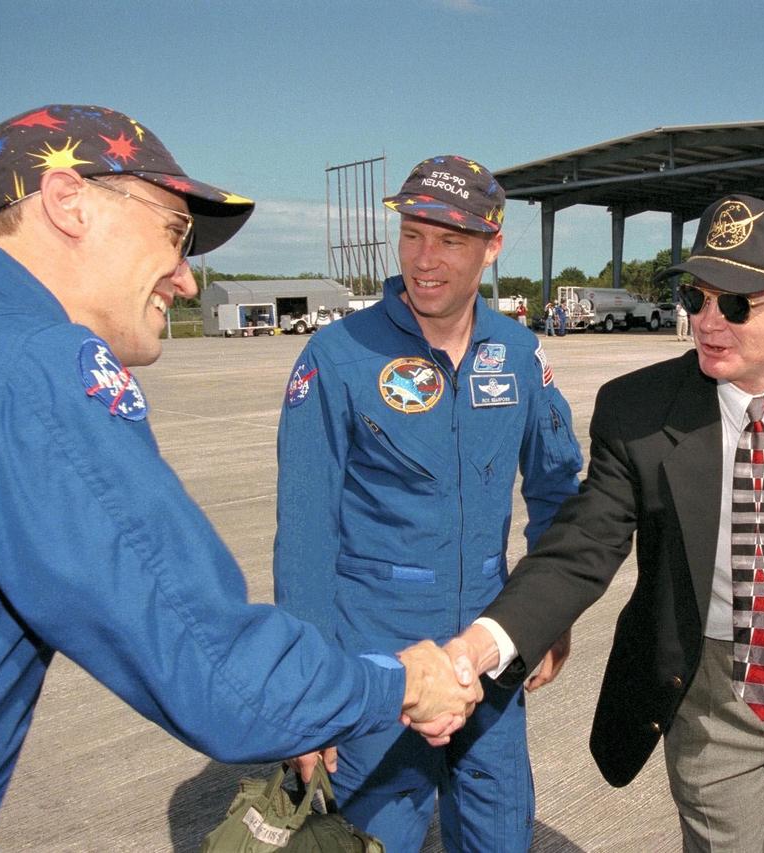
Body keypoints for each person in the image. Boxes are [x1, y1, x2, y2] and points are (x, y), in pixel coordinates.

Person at [0, 105, 479, 852]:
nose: (188, 279)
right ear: (68, 201)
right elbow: (218, 671)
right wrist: (398, 684)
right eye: (174, 233)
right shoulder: (31, 368)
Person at [448, 194, 764, 851]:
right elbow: (583, 544)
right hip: (709, 688)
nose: (706, 321)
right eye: (696, 297)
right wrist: (482, 644)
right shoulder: (637, 409)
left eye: (735, 303)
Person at [273, 155, 584, 853]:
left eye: (450, 240)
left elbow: (557, 490)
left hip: (489, 651)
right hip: (373, 661)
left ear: (492, 246)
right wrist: (309, 693)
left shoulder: (517, 353)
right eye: (413, 234)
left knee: (502, 835)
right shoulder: (337, 357)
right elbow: (305, 535)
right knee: (370, 839)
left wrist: (546, 614)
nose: (426, 259)